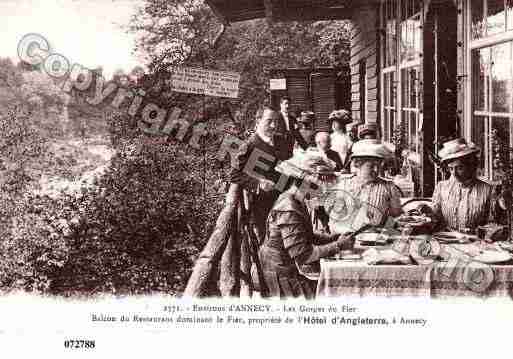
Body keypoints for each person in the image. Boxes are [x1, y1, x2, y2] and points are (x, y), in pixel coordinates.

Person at [258, 153, 355, 298]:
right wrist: (338, 245)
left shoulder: (295, 199)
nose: (322, 190)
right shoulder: (289, 207)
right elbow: (305, 255)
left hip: (286, 267)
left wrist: (331, 238)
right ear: (305, 182)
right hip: (282, 274)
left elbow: (305, 235)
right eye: (319, 185)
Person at [230, 106, 289, 240]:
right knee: (268, 244)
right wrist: (258, 183)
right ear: (258, 121)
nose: (273, 125)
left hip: (284, 200)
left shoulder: (281, 141)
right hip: (262, 205)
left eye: (276, 121)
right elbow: (234, 175)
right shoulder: (249, 145)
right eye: (269, 121)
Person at [428, 138, 507, 233]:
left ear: (471, 166)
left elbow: (493, 224)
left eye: (460, 168)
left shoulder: (488, 190)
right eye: (451, 169)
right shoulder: (442, 187)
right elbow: (435, 219)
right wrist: (427, 212)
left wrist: (477, 232)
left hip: (476, 244)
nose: (454, 173)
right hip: (446, 241)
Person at [326, 139, 403, 234]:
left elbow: (396, 217)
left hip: (377, 241)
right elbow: (333, 222)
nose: (376, 169)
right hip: (347, 239)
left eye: (378, 165)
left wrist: (385, 230)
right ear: (358, 165)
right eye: (372, 166)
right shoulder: (343, 186)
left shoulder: (389, 187)